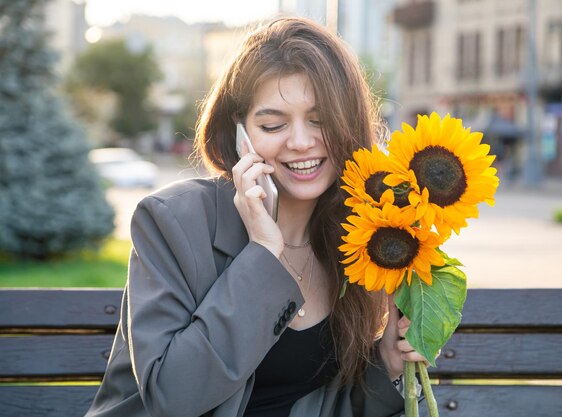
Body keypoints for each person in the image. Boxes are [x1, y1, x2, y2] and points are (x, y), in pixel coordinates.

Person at [86, 16, 428, 417]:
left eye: (320, 120)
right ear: (240, 131)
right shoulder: (172, 221)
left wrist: (385, 367)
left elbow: (323, 404)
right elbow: (173, 398)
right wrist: (264, 252)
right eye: (272, 124)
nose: (301, 142)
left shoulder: (357, 236)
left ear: (350, 125)